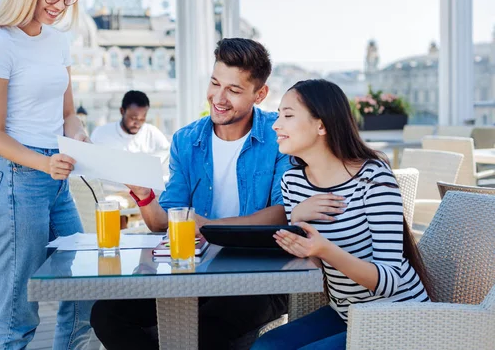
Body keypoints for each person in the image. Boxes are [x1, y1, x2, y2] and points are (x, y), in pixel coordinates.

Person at [90, 38, 292, 350]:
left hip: (261, 275)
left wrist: (208, 226)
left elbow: (282, 213)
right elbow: (163, 221)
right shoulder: (186, 140)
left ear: (260, 94)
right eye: (215, 83)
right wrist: (144, 196)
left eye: (234, 90)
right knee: (106, 315)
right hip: (197, 272)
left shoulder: (278, 135)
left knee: (201, 332)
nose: (219, 98)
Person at [251, 79, 433, 350]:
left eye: (287, 116)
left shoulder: (373, 177)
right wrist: (297, 223)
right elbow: (311, 265)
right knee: (266, 346)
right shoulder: (292, 182)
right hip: (347, 313)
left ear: (321, 125)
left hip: (399, 318)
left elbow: (391, 281)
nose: (276, 125)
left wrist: (325, 249)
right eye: (278, 116)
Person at [0, 0, 92, 348]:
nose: (59, 6)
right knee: (19, 308)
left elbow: (68, 112)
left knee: (83, 288)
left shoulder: (58, 42)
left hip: (56, 180)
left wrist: (78, 134)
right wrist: (44, 162)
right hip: (18, 181)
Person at [90, 90, 170, 155]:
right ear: (122, 111)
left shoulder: (152, 133)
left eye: (142, 119)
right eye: (133, 118)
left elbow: (168, 156)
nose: (138, 123)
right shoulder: (101, 134)